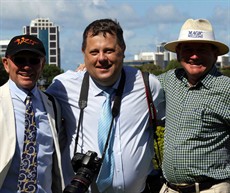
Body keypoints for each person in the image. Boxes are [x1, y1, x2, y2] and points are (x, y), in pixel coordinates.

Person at [46, 18, 165, 193]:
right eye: (94, 52)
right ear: (84, 53)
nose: (101, 58)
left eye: (109, 50)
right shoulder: (63, 87)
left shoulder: (148, 85)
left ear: (122, 51)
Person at [158, 18, 230, 193]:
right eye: (188, 49)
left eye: (202, 50)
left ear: (215, 54)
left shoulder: (227, 89)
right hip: (170, 189)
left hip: (211, 189)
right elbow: (134, 85)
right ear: (177, 53)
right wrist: (86, 74)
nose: (194, 56)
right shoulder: (168, 80)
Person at [0, 35, 65, 193]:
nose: (27, 66)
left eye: (34, 61)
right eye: (20, 60)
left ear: (42, 64)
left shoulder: (53, 105)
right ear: (6, 64)